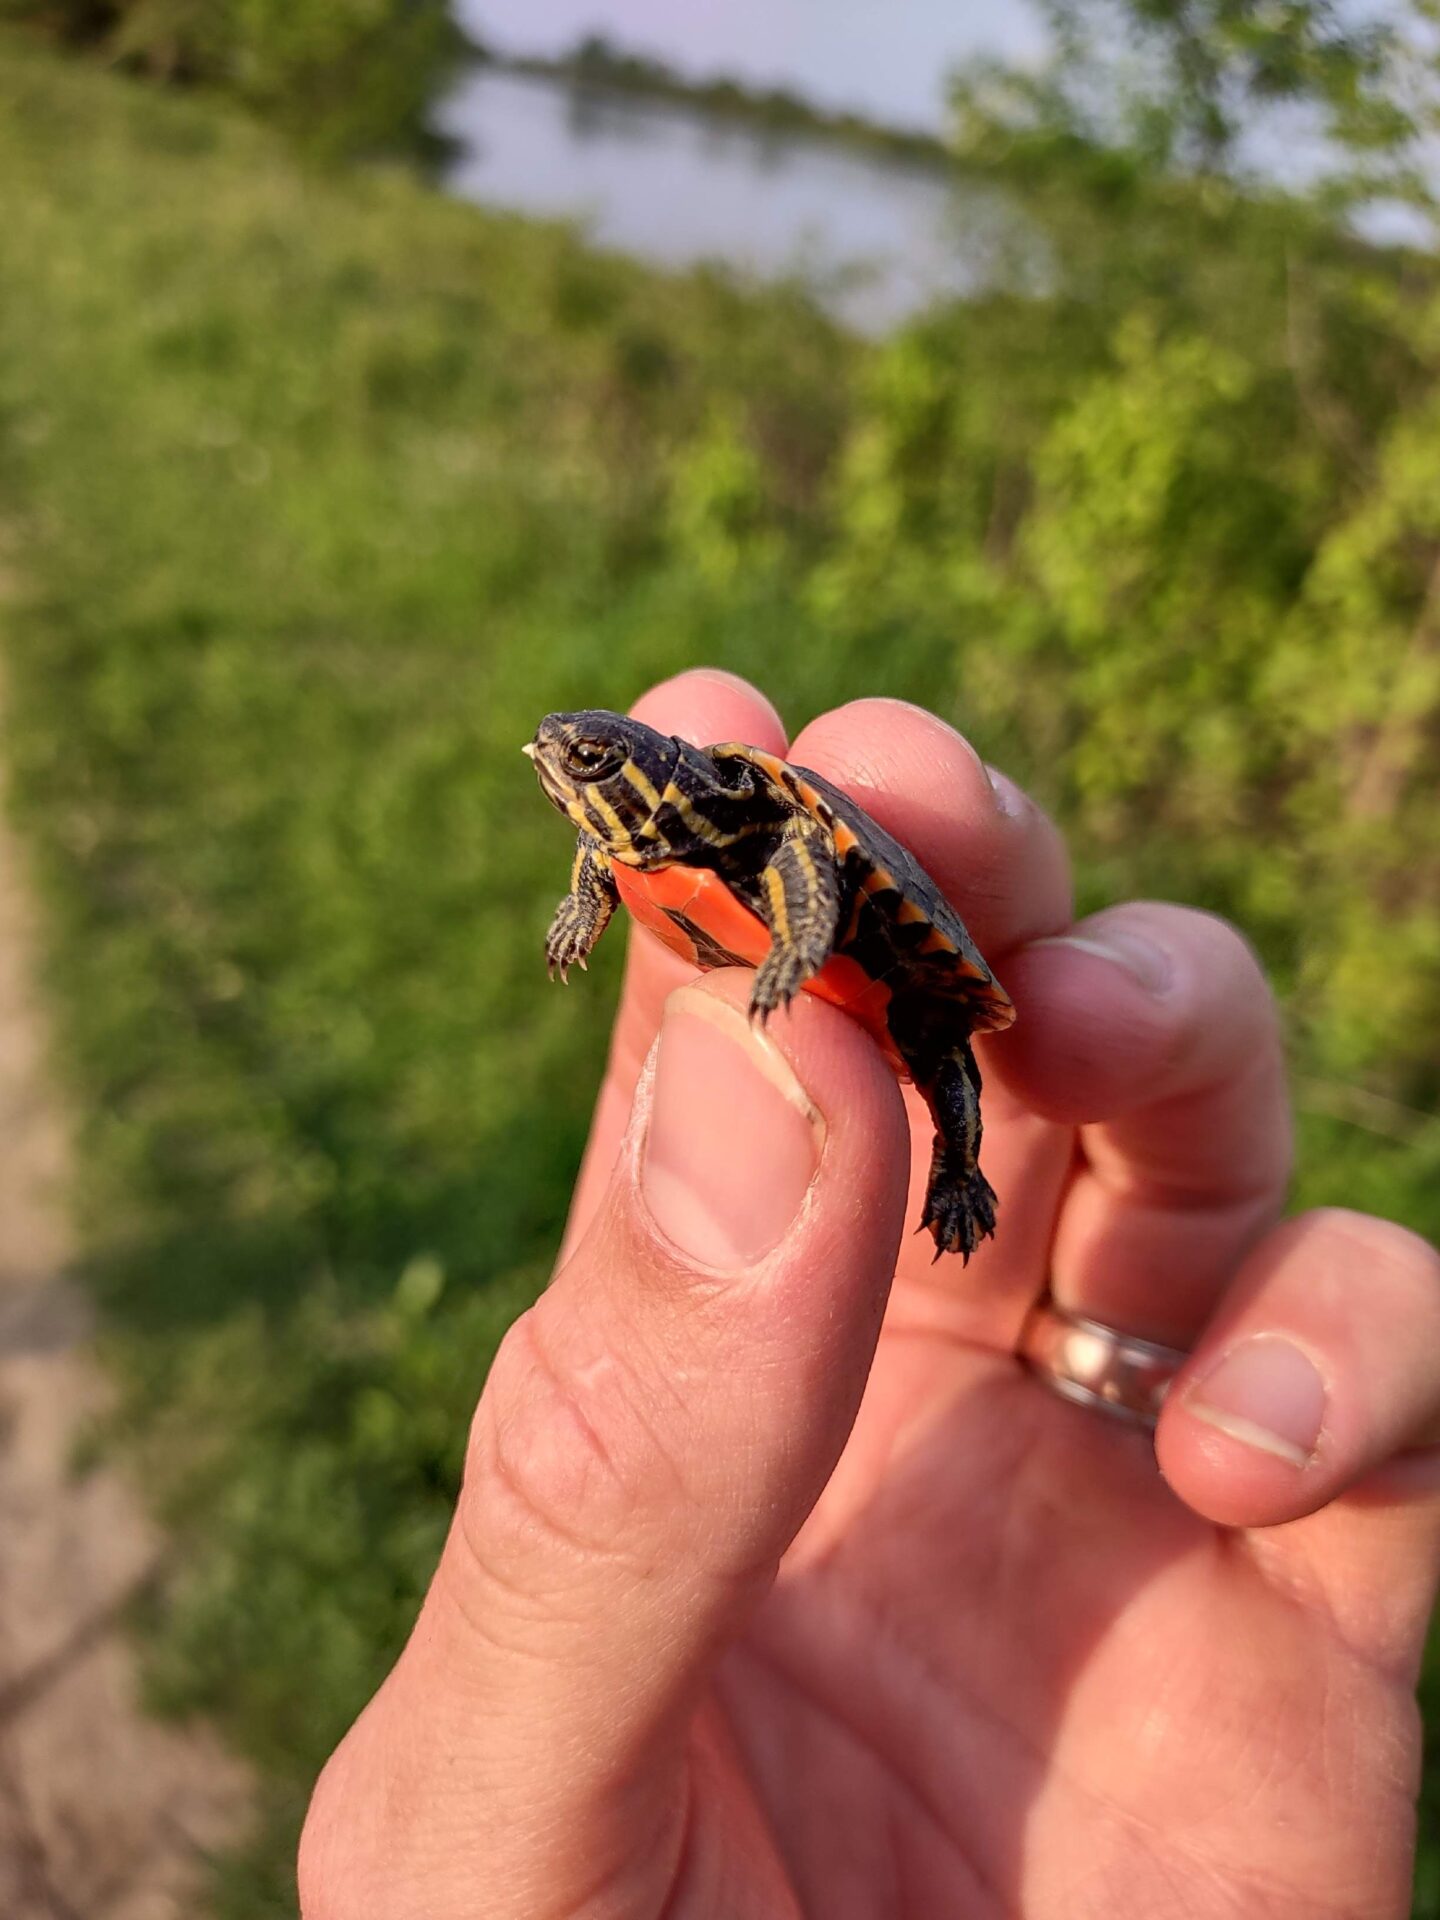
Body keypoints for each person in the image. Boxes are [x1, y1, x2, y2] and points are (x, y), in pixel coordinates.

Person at [299, 671, 1440, 1919]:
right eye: (567, 767)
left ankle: (960, 1165)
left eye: (588, 763)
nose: (566, 771)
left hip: (864, 955)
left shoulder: (758, 812)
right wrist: (590, 900)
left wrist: (805, 941)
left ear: (660, 766)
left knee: (939, 1035)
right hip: (773, 968)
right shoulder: (625, 842)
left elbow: (810, 851)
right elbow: (613, 857)